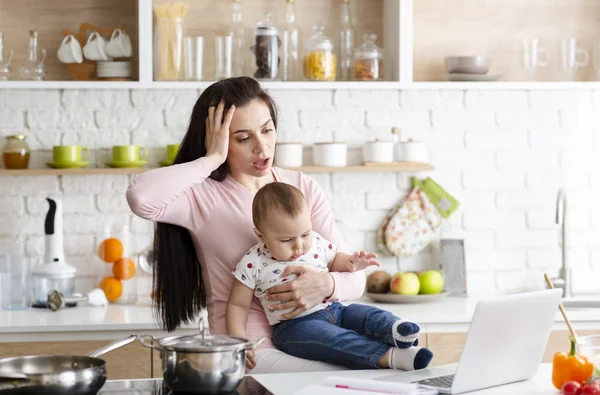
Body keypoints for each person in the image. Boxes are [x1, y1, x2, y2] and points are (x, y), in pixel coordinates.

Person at [126, 76, 368, 373]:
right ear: (218, 138)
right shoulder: (200, 196)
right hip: (247, 351)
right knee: (335, 378)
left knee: (374, 365)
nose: (262, 146)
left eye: (267, 130)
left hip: (316, 333)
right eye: (243, 138)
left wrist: (327, 284)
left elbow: (356, 279)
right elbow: (141, 198)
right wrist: (211, 159)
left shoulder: (301, 187)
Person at [227, 182, 433, 371]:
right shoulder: (252, 262)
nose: (299, 246)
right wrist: (239, 340)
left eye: (305, 234)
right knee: (336, 339)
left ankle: (398, 330)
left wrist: (353, 263)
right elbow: (238, 305)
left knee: (364, 314)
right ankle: (391, 356)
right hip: (295, 327)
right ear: (261, 236)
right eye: (287, 240)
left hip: (334, 309)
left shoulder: (316, 242)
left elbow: (335, 261)